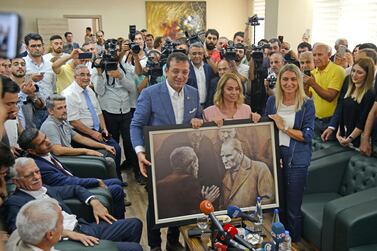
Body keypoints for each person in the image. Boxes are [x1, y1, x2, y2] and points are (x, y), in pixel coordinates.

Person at [130, 52, 203, 251]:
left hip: (183, 156)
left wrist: (199, 121)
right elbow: (136, 126)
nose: (180, 76)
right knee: (156, 203)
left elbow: (198, 119)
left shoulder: (193, 93)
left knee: (178, 201)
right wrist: (139, 152)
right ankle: (154, 245)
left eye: (185, 72)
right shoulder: (150, 93)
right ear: (166, 71)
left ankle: (172, 240)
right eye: (176, 71)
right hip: (158, 158)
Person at [4, 157, 143, 251]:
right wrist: (68, 234)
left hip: (83, 227)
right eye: (29, 175)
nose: (36, 177)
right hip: (65, 241)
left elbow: (75, 189)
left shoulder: (45, 188)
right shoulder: (15, 203)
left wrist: (94, 201)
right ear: (16, 181)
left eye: (37, 172)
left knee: (134, 224)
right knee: (134, 248)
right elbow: (21, 234)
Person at [17, 128, 126, 219]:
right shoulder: (38, 167)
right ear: (31, 151)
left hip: (74, 182)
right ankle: (118, 221)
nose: (48, 141)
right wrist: (95, 181)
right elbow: (67, 181)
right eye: (42, 142)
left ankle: (117, 214)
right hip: (71, 191)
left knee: (116, 182)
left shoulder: (44, 152)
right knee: (116, 189)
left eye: (45, 137)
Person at [262, 64, 315, 242]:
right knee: (280, 205)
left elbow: (307, 136)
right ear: (279, 81)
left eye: (293, 79)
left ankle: (295, 243)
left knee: (293, 208)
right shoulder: (272, 101)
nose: (289, 83)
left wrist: (283, 127)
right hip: (277, 157)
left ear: (299, 81)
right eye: (285, 79)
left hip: (297, 159)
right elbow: (266, 129)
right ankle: (280, 241)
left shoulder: (307, 103)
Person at [62, 65, 122, 180]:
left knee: (117, 148)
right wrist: (92, 133)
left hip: (97, 130)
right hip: (82, 133)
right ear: (75, 77)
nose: (86, 78)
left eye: (88, 75)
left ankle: (117, 179)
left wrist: (104, 129)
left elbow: (99, 112)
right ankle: (111, 181)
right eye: (82, 75)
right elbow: (74, 122)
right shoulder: (69, 94)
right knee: (111, 151)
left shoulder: (89, 90)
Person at [157, 146, 219, 219]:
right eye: (196, 162)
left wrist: (201, 199)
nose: (197, 167)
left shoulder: (159, 184)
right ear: (193, 163)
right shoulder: (189, 181)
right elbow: (193, 214)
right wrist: (207, 201)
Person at [303, 43, 345, 137]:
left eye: (320, 54)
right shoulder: (313, 72)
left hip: (331, 121)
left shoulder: (337, 70)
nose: (316, 58)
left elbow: (330, 96)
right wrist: (305, 86)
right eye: (314, 55)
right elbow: (309, 95)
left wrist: (313, 83)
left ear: (329, 55)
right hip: (316, 119)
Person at [219, 138, 274, 209]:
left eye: (228, 155)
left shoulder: (260, 168)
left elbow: (268, 200)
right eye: (222, 156)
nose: (224, 161)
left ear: (240, 153)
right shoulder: (226, 176)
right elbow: (222, 205)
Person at [333, 58, 375, 148]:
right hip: (344, 137)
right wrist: (338, 134)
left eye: (359, 73)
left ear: (368, 75)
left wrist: (349, 139)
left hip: (357, 142)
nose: (354, 75)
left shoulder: (369, 94)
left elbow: (362, 122)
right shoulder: (350, 88)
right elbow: (342, 114)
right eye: (353, 71)